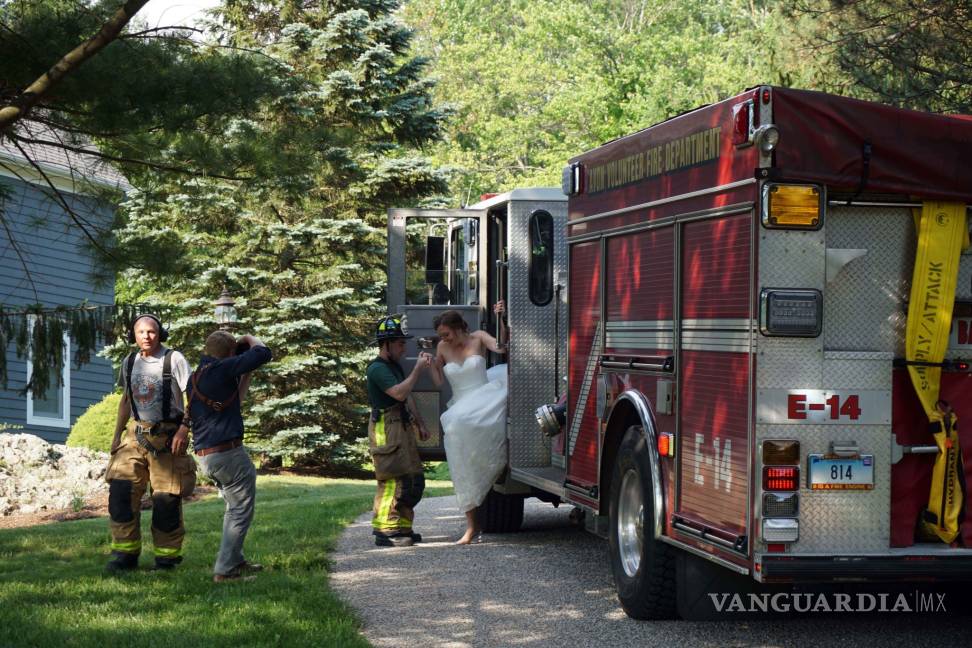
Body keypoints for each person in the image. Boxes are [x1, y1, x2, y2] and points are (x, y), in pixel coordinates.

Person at [105, 314, 194, 572]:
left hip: (167, 437)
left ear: (160, 334)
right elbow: (125, 400)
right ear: (134, 335)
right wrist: (116, 435)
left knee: (166, 498)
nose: (146, 336)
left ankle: (167, 558)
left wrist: (183, 430)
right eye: (141, 332)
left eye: (152, 332)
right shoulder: (129, 361)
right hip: (134, 436)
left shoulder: (174, 359)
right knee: (121, 492)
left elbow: (194, 397)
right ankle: (125, 555)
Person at [186, 330, 272, 583]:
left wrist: (244, 373)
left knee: (233, 509)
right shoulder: (222, 369)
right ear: (230, 353)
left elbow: (236, 401)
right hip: (227, 453)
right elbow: (263, 353)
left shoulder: (197, 376)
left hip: (207, 456)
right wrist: (249, 338)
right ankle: (225, 571)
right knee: (239, 511)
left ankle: (236, 559)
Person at [429, 305, 508, 544]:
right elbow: (438, 381)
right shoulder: (442, 347)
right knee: (459, 450)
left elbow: (502, 348)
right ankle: (471, 525)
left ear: (459, 328)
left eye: (447, 334)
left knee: (456, 423)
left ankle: (496, 471)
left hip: (484, 397)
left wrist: (501, 319)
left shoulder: (479, 338)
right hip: (461, 403)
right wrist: (432, 364)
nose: (444, 339)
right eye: (442, 336)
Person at [366, 314, 432, 547]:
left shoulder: (393, 366)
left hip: (401, 426)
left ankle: (402, 527)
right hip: (386, 429)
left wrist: (420, 424)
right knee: (393, 480)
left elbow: (408, 397)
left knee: (413, 480)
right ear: (386, 344)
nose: (404, 348)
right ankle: (385, 531)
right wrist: (417, 369)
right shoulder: (377, 369)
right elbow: (399, 393)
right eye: (400, 343)